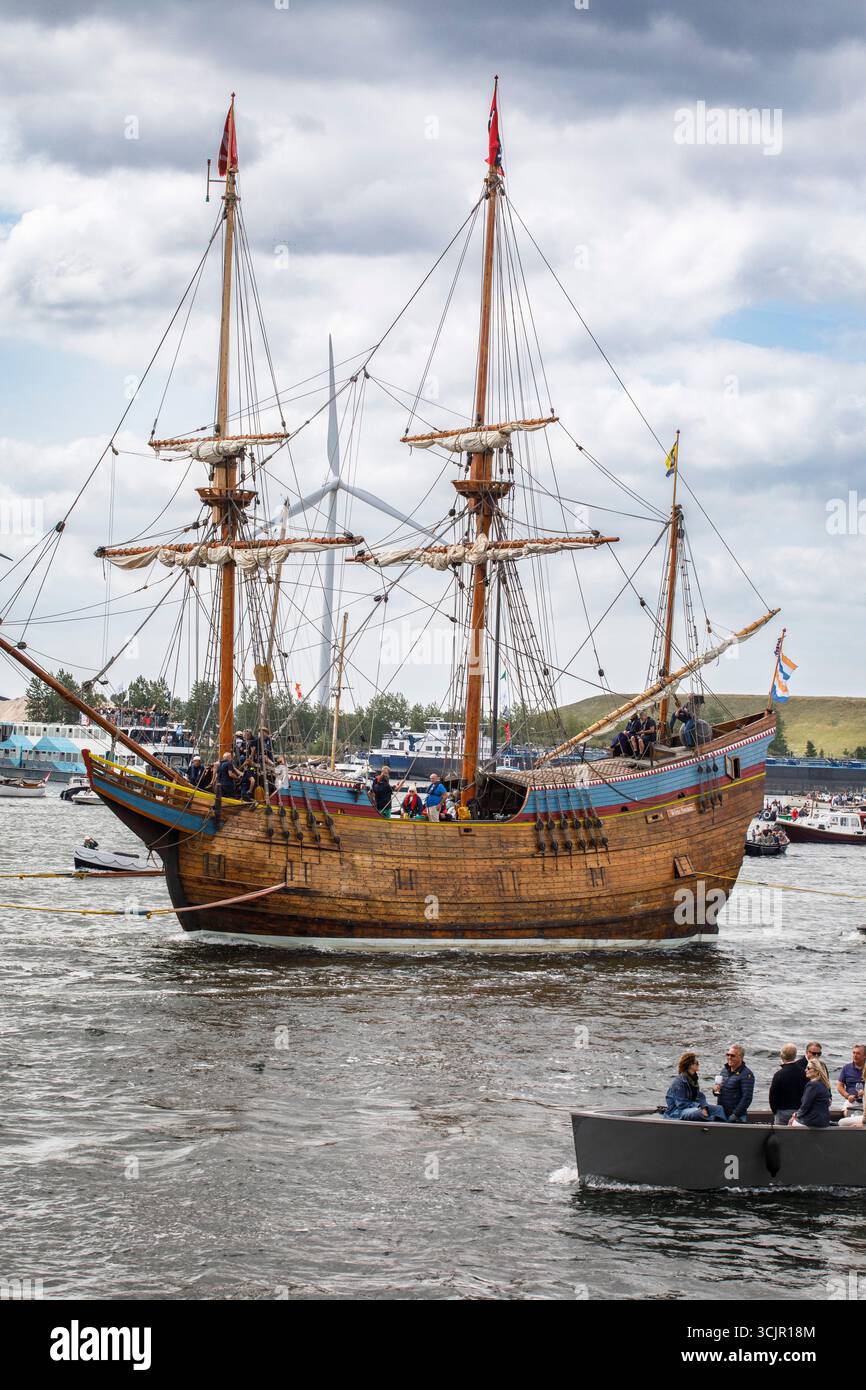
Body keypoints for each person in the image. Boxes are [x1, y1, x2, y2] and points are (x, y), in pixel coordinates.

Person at [662, 1051, 727, 1122]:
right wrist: (699, 1107)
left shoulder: (693, 1079)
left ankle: (724, 1126)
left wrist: (704, 1106)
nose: (698, 1064)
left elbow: (699, 1096)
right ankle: (712, 1122)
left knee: (719, 1109)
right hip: (679, 1111)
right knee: (698, 1112)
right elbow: (681, 1104)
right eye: (696, 1063)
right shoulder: (679, 1082)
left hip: (693, 1107)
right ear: (690, 1065)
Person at [713, 1044, 755, 1122]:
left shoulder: (747, 1074)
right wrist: (715, 1090)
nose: (729, 1057)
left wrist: (735, 1114)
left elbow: (747, 1098)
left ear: (741, 1058)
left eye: (732, 1056)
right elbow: (718, 1092)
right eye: (728, 1055)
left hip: (737, 1117)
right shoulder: (724, 1071)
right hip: (722, 1113)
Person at [769, 1043, 807, 1127]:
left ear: (781, 1056)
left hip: (782, 1111)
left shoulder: (779, 1074)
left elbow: (773, 1096)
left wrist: (775, 1111)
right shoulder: (804, 1073)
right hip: (799, 1111)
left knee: (780, 1136)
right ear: (795, 1055)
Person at [789, 1057, 831, 1128]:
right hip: (824, 1122)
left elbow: (805, 1106)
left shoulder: (812, 1085)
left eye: (808, 1068)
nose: (805, 1070)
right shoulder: (824, 1085)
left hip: (812, 1121)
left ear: (817, 1071)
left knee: (791, 1122)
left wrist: (795, 1115)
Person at [836, 1044, 866, 1109]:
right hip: (851, 1102)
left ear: (864, 1056)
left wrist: (865, 1093)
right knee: (846, 1113)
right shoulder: (846, 1068)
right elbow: (839, 1086)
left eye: (858, 1053)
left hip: (865, 1102)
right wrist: (847, 1096)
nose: (855, 1055)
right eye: (854, 1053)